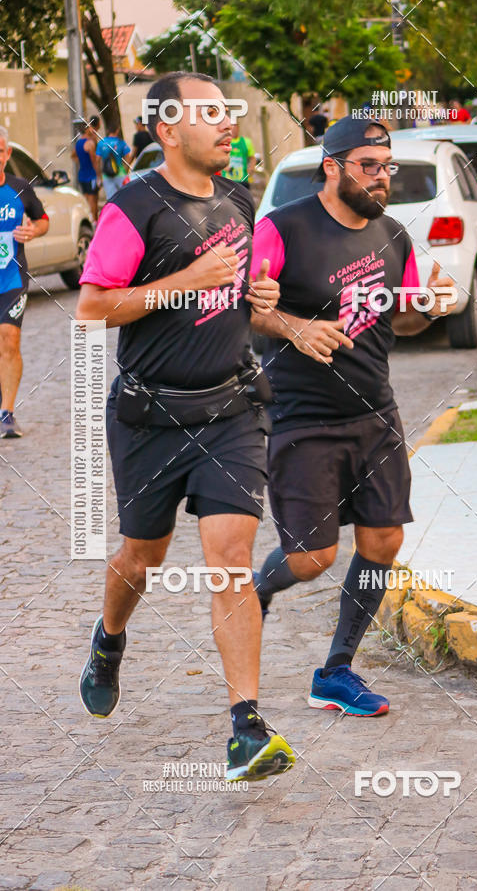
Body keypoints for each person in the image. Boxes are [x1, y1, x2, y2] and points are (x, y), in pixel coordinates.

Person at [76, 71, 294, 783]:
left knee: (230, 558)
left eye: (228, 112)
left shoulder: (240, 199)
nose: (227, 123)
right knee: (141, 557)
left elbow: (250, 300)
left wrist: (261, 298)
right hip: (151, 416)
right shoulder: (132, 208)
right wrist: (189, 276)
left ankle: (245, 727)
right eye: (209, 113)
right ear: (169, 129)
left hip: (232, 409)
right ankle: (110, 639)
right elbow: (93, 310)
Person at [250, 116, 457, 717]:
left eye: (387, 167)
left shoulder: (392, 235)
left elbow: (406, 320)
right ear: (332, 166)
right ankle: (259, 587)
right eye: (369, 165)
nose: (382, 178)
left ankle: (336, 671)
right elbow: (246, 307)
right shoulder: (281, 229)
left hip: (376, 414)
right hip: (302, 416)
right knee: (312, 558)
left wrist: (431, 306)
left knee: (383, 540)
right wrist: (295, 325)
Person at [0, 126, 49, 439]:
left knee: (8, 339)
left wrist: (35, 231)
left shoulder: (20, 189)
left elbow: (43, 219)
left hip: (12, 277)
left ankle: (7, 412)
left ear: (6, 154)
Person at [71, 116, 102, 221]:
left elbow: (73, 156)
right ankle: (94, 221)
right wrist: (99, 176)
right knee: (93, 200)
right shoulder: (90, 143)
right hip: (91, 175)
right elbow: (94, 162)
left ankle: (89, 220)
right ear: (87, 129)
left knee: (87, 199)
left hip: (82, 175)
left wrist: (81, 161)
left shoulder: (79, 142)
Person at [96, 125, 131, 200]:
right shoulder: (121, 142)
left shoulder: (101, 143)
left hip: (106, 174)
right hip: (120, 173)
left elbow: (97, 160)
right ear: (117, 130)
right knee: (125, 197)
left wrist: (99, 176)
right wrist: (125, 170)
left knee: (111, 199)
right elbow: (128, 158)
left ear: (108, 131)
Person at [220, 122, 255, 187]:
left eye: (235, 127)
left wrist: (250, 169)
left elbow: (252, 158)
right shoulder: (223, 141)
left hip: (242, 181)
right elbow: (217, 157)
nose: (233, 129)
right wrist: (223, 167)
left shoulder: (246, 142)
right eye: (231, 127)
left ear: (238, 128)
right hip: (227, 181)